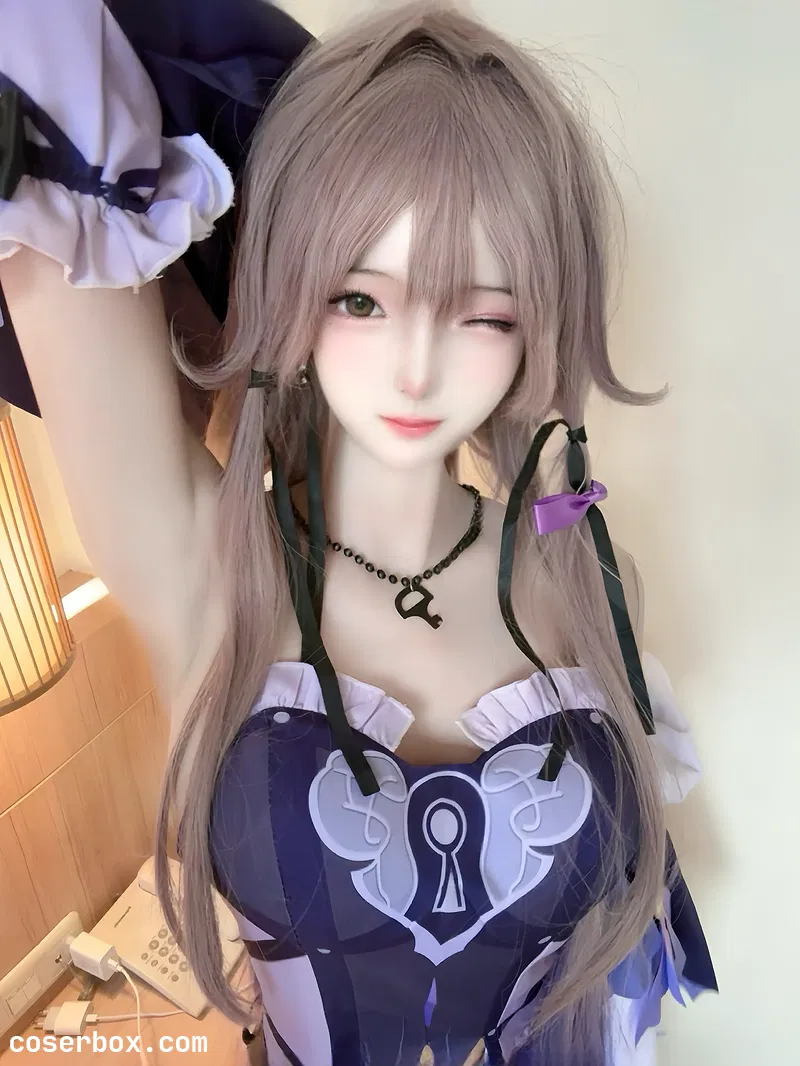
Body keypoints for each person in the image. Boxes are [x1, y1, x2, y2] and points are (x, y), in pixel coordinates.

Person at [0, 1, 716, 1063]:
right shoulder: (207, 566)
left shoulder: (583, 570)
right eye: (361, 300)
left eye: (483, 313)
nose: (416, 369)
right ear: (291, 280)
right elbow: (43, 88)